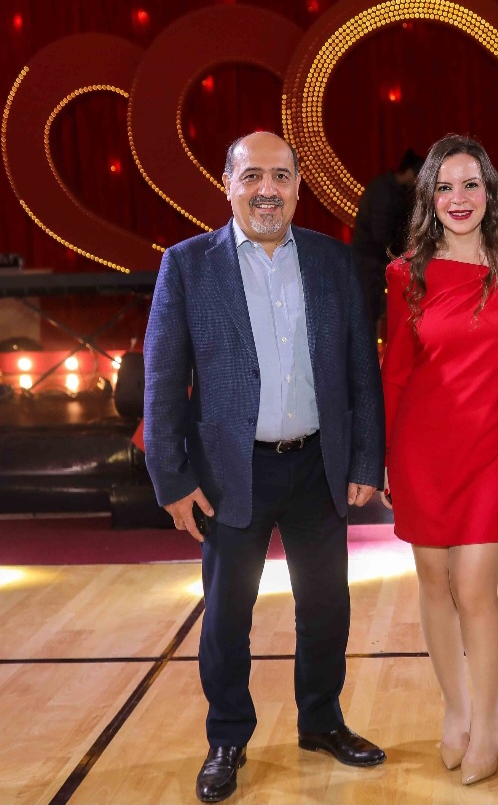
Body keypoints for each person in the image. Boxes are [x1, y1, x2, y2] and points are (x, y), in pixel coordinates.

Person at [142, 131, 387, 803]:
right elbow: (162, 380)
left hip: (317, 466)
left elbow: (361, 371)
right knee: (227, 615)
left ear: (299, 187)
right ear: (228, 184)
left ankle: (322, 722)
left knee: (326, 606)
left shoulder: (333, 261)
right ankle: (227, 737)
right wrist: (173, 479)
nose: (267, 190)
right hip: (229, 474)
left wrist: (367, 457)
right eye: (252, 176)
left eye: (280, 176)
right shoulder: (187, 266)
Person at [380, 134, 498, 786]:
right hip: (422, 444)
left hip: (495, 444)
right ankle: (456, 707)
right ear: (429, 198)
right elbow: (397, 370)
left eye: (470, 184)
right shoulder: (405, 274)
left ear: (490, 192)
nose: (458, 198)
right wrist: (385, 456)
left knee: (474, 585)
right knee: (434, 580)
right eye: (444, 187)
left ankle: (491, 716)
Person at [352, 147, 425, 328]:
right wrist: (399, 256)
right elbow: (381, 232)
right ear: (411, 173)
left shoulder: (392, 189)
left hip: (374, 261)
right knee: (369, 313)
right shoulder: (383, 191)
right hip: (370, 262)